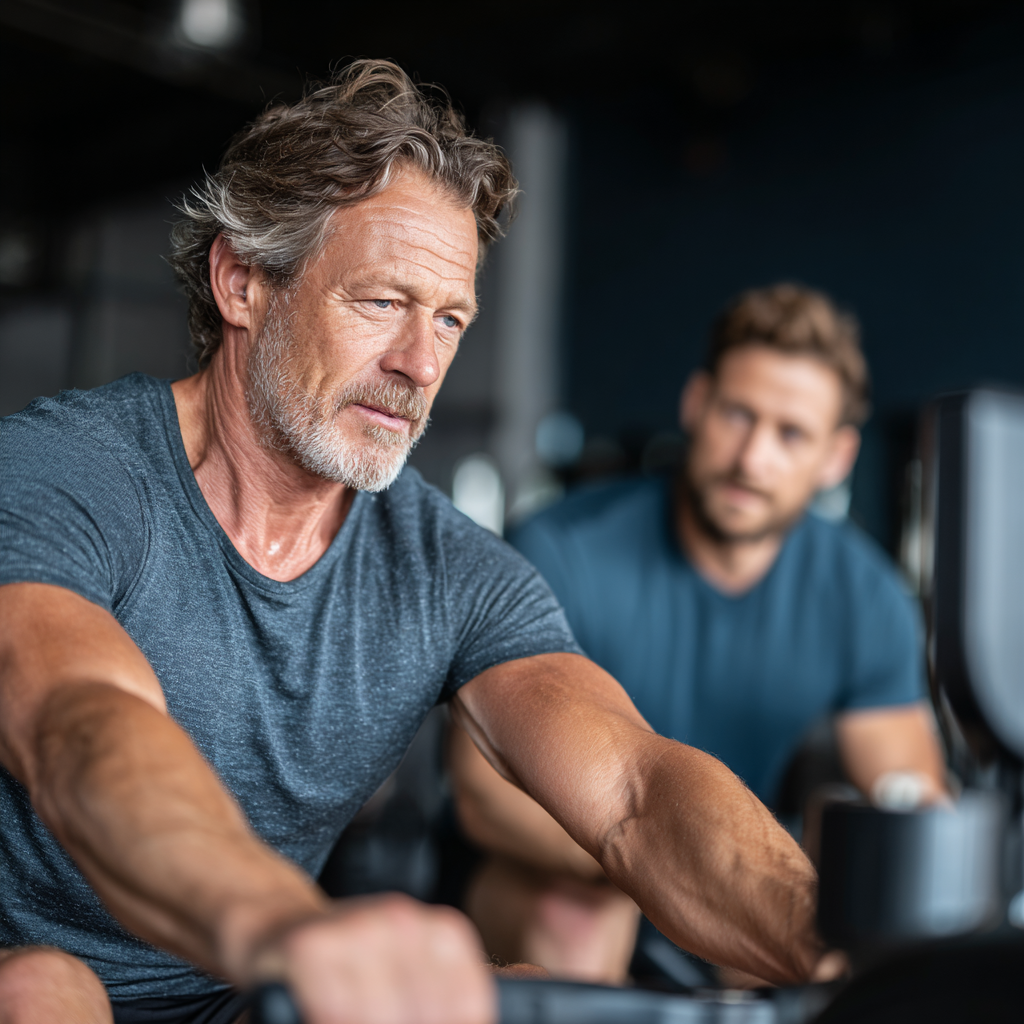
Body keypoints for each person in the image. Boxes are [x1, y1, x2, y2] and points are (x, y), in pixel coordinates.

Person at [0, 66, 835, 1024]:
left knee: (519, 1001)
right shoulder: (66, 472)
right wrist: (284, 927)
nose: (420, 366)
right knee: (42, 992)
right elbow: (79, 722)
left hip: (231, 995)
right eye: (381, 303)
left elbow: (635, 791)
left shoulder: (442, 566)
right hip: (36, 968)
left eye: (449, 319)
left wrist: (836, 945)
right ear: (242, 283)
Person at [450, 283, 948, 985]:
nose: (752, 458)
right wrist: (674, 872)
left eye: (791, 434)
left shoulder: (865, 595)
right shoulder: (564, 548)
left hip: (735, 880)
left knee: (813, 949)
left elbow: (909, 800)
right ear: (696, 403)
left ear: (836, 458)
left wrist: (754, 891)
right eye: (737, 415)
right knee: (579, 917)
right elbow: (483, 795)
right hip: (571, 873)